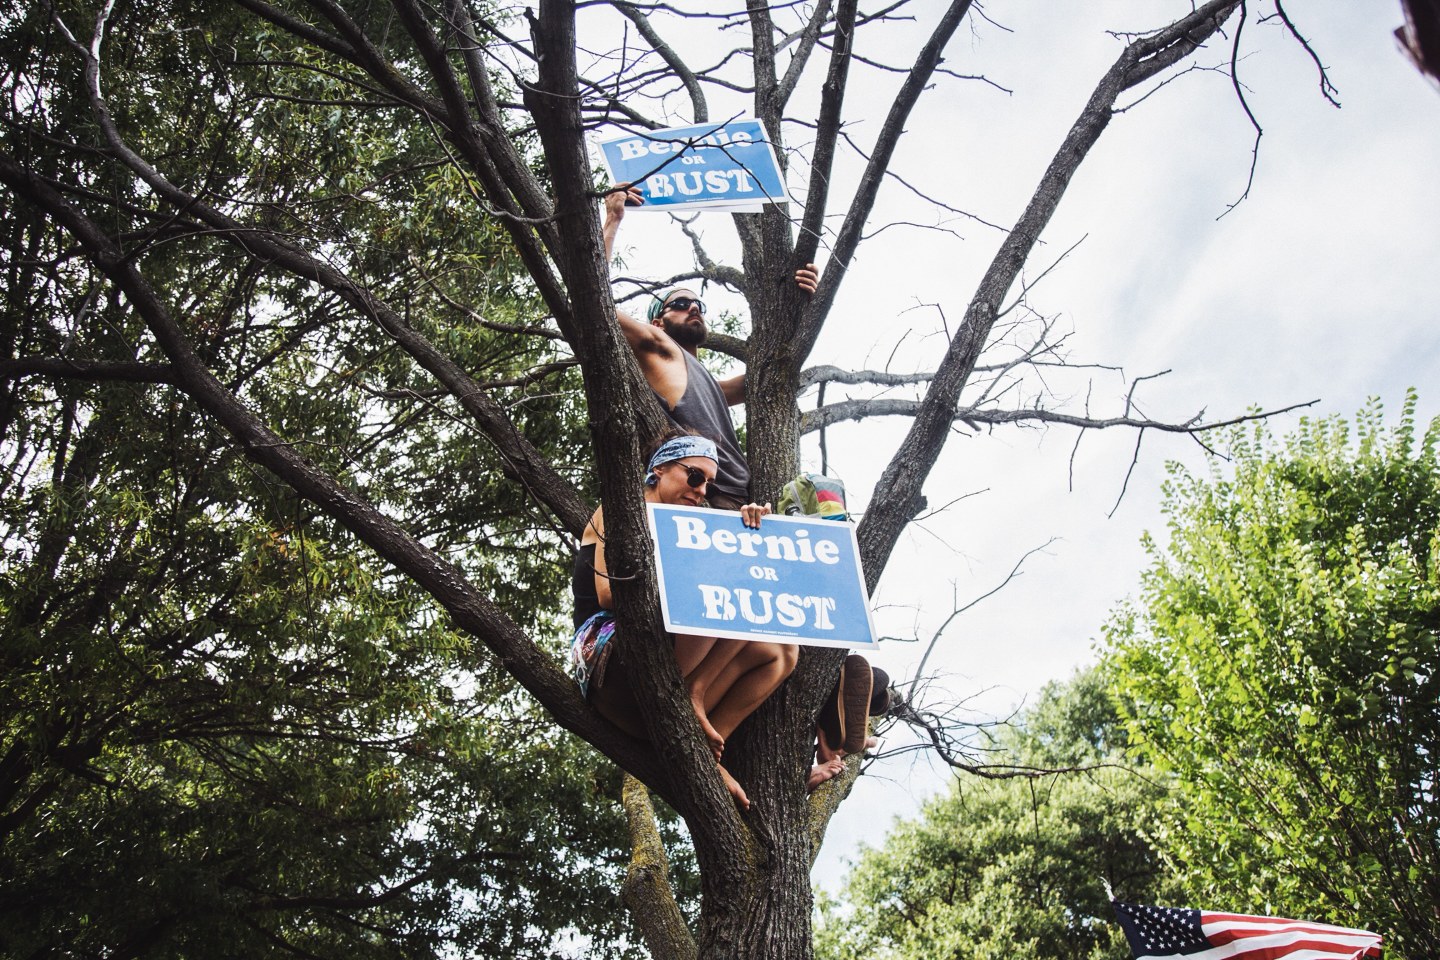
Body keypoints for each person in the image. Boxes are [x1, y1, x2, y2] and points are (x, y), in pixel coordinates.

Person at [571, 433, 798, 809]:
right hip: (609, 663)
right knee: (728, 582)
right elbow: (609, 594)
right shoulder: (623, 507)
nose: (702, 489)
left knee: (783, 650)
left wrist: (751, 539)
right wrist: (717, 559)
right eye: (695, 476)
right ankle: (693, 697)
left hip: (658, 693)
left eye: (708, 483)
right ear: (659, 469)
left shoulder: (694, 525)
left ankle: (706, 750)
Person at [602, 184, 819, 509]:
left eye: (698, 304)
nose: (693, 307)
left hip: (744, 504)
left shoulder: (705, 385)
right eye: (680, 303)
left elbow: (776, 373)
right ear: (657, 323)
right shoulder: (659, 346)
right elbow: (594, 303)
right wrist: (613, 219)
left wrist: (802, 303)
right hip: (705, 497)